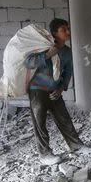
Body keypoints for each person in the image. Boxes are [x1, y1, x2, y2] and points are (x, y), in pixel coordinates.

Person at [24, 18, 83, 165]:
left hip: (54, 90)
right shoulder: (44, 47)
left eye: (68, 29)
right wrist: (48, 55)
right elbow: (28, 62)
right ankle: (45, 154)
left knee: (64, 118)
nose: (68, 32)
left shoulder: (67, 52)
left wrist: (61, 88)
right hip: (37, 91)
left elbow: (68, 71)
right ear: (54, 33)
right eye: (64, 30)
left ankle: (76, 145)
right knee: (40, 122)